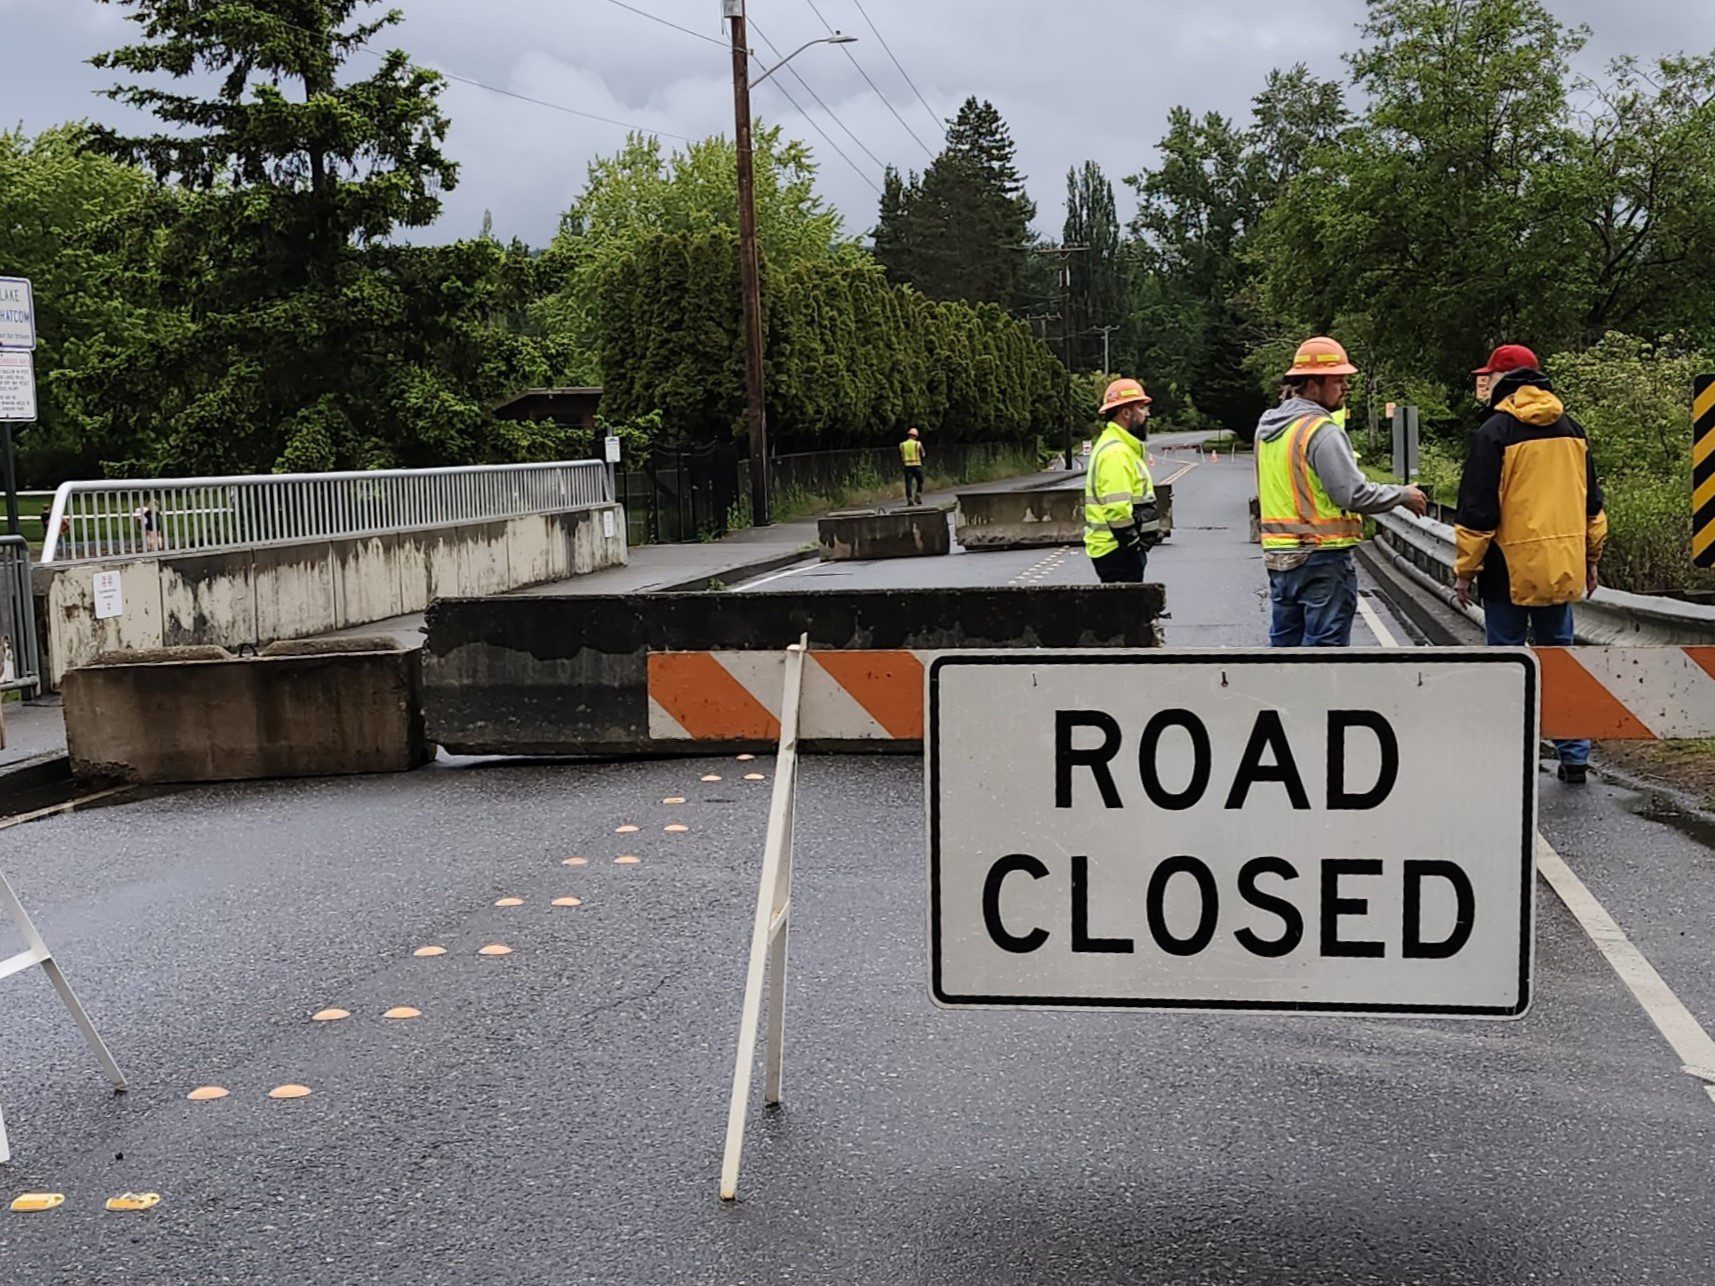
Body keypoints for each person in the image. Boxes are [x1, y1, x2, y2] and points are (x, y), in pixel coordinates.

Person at [1455, 343, 1607, 784]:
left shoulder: (1494, 433)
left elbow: (1478, 513)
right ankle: (1574, 756)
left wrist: (1465, 572)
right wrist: (1590, 559)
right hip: (1561, 565)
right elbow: (1591, 505)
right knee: (1560, 660)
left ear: (1504, 381)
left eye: (1489, 378)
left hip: (1507, 570)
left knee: (1506, 660)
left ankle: (1509, 753)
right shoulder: (1571, 428)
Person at [1254, 336, 1428, 646]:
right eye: (1338, 380)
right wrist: (1402, 495)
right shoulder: (1319, 430)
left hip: (1280, 556)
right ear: (1312, 384)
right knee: (1326, 654)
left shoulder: (1269, 429)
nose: (1346, 387)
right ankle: (1318, 697)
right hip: (1320, 556)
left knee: (1283, 653)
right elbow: (1351, 494)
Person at [1083, 378, 1159, 583]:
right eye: (1142, 408)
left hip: (1115, 549)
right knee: (1126, 612)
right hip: (1117, 550)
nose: (1147, 414)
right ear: (1126, 412)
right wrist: (1133, 544)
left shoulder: (1117, 446)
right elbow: (1117, 508)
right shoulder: (1116, 452)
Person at [899, 427, 925, 506]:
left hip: (907, 466)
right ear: (915, 436)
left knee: (908, 483)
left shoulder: (902, 445)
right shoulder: (918, 444)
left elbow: (901, 454)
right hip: (917, 465)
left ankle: (909, 499)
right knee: (920, 480)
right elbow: (923, 454)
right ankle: (918, 494)